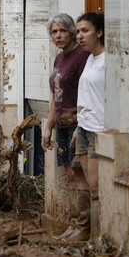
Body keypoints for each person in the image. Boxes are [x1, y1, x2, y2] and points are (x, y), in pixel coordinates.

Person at [42, 13, 91, 242]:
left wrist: (80, 126)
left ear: (72, 32)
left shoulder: (82, 57)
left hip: (77, 124)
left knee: (79, 173)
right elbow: (54, 96)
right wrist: (48, 126)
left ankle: (83, 227)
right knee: (70, 175)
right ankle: (73, 224)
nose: (58, 35)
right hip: (61, 124)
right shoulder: (58, 59)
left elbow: (87, 93)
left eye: (62, 31)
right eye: (54, 32)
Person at [75, 12, 105, 209]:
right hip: (84, 127)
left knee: (96, 186)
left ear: (99, 32)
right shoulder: (89, 59)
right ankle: (90, 234)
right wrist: (79, 127)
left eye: (85, 31)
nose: (80, 36)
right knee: (87, 186)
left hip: (99, 129)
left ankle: (100, 235)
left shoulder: (108, 59)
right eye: (78, 32)